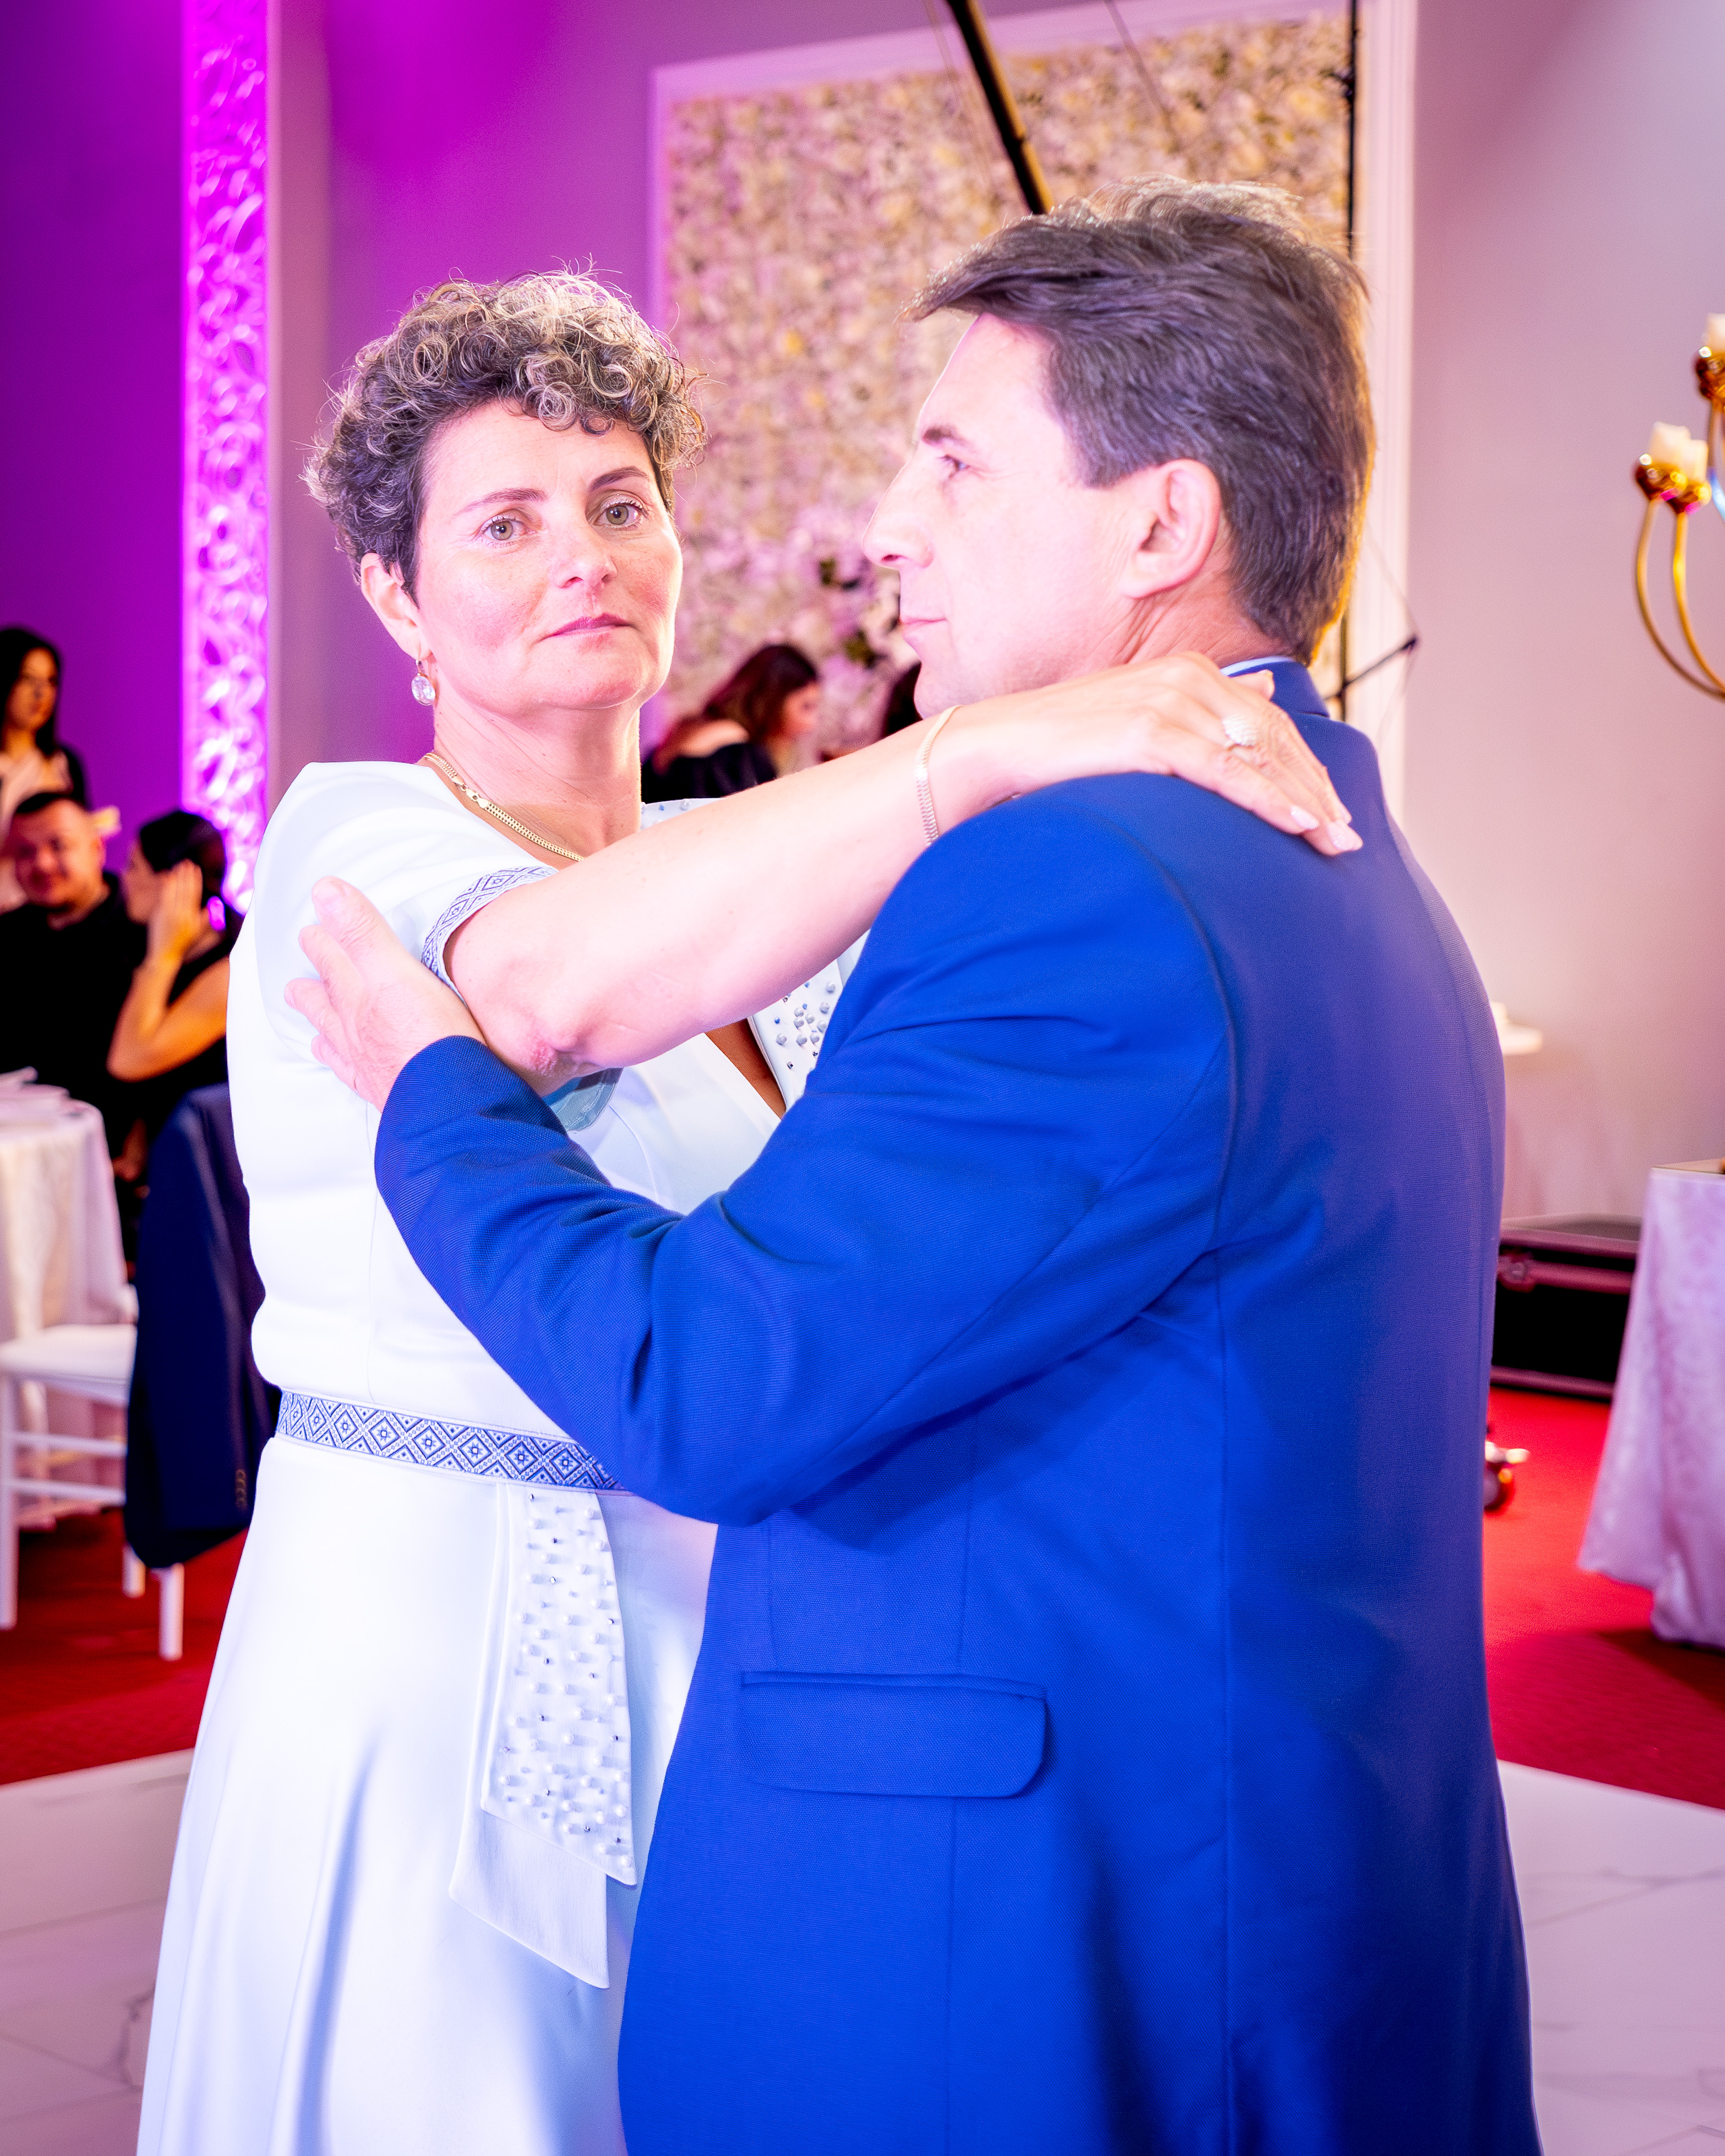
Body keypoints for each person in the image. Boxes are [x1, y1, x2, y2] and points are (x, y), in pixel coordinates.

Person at [296, 181, 1538, 2155]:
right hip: (1264, 1863)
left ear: (1159, 524)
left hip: (1048, 1941)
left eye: (952, 462)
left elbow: (706, 1383)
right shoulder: (1332, 850)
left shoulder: (1085, 881)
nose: (888, 523)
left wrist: (432, 1095)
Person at [0, 792, 144, 1158]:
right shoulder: (8, 935)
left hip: (112, 1150)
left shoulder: (141, 931)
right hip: (18, 1141)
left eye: (59, 846)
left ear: (97, 849)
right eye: (25, 852)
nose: (42, 864)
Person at [108, 810, 242, 1142]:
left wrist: (164, 954)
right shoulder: (143, 946)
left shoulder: (229, 972)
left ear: (173, 881)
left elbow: (128, 1061)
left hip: (211, 1155)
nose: (124, 878)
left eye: (134, 866)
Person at [640, 640, 819, 799]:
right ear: (774, 700)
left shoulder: (692, 726)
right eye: (806, 707)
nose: (811, 724)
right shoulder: (737, 754)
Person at [0, 629, 88, 911]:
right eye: (29, 679)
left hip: (52, 908)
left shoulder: (64, 764)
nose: (41, 694)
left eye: (50, 681)